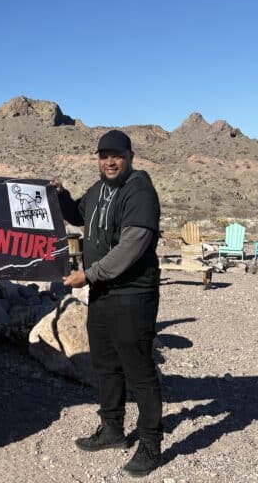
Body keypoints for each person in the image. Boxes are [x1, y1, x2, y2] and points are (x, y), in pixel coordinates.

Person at [51, 129, 163, 478]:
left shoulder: (139, 190)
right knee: (105, 365)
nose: (109, 162)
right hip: (102, 293)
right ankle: (113, 429)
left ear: (130, 156)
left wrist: (90, 274)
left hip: (132, 294)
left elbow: (133, 245)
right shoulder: (100, 189)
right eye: (103, 156)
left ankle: (150, 442)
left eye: (116, 156)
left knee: (139, 370)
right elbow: (78, 215)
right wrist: (61, 195)